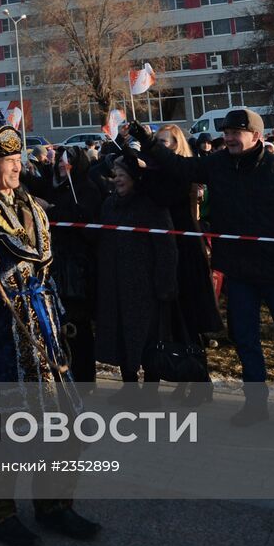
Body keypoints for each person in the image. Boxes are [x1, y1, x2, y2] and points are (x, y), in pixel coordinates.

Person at [0, 107, 100, 546]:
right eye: (7, 160)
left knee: (62, 424)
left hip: (44, 327)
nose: (16, 164)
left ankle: (55, 505)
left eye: (18, 157)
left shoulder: (32, 204)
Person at [133, 109, 274, 434]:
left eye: (238, 131)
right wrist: (148, 141)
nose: (231, 137)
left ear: (257, 136)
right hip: (238, 272)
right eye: (228, 131)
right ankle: (255, 404)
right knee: (246, 341)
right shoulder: (217, 165)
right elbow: (181, 166)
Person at [146, 125, 222, 404]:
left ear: (177, 145)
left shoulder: (182, 172)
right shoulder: (158, 170)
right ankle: (185, 375)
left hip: (185, 252)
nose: (159, 146)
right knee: (175, 320)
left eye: (164, 142)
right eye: (156, 142)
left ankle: (202, 382)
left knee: (189, 319)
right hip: (166, 251)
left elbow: (162, 196)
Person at [94, 152, 177, 405]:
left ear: (134, 178)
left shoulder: (150, 205)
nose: (117, 180)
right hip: (116, 282)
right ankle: (129, 385)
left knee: (149, 338)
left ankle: (151, 391)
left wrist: (165, 282)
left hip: (145, 284)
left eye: (122, 175)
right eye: (115, 175)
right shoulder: (109, 205)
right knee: (120, 335)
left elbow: (166, 246)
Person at [25, 145, 101, 386]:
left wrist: (53, 210)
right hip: (55, 265)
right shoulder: (53, 186)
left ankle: (85, 378)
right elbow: (31, 184)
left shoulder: (87, 188)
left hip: (77, 269)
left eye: (67, 162)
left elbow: (86, 222)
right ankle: (62, 372)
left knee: (78, 325)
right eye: (60, 161)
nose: (61, 165)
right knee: (56, 323)